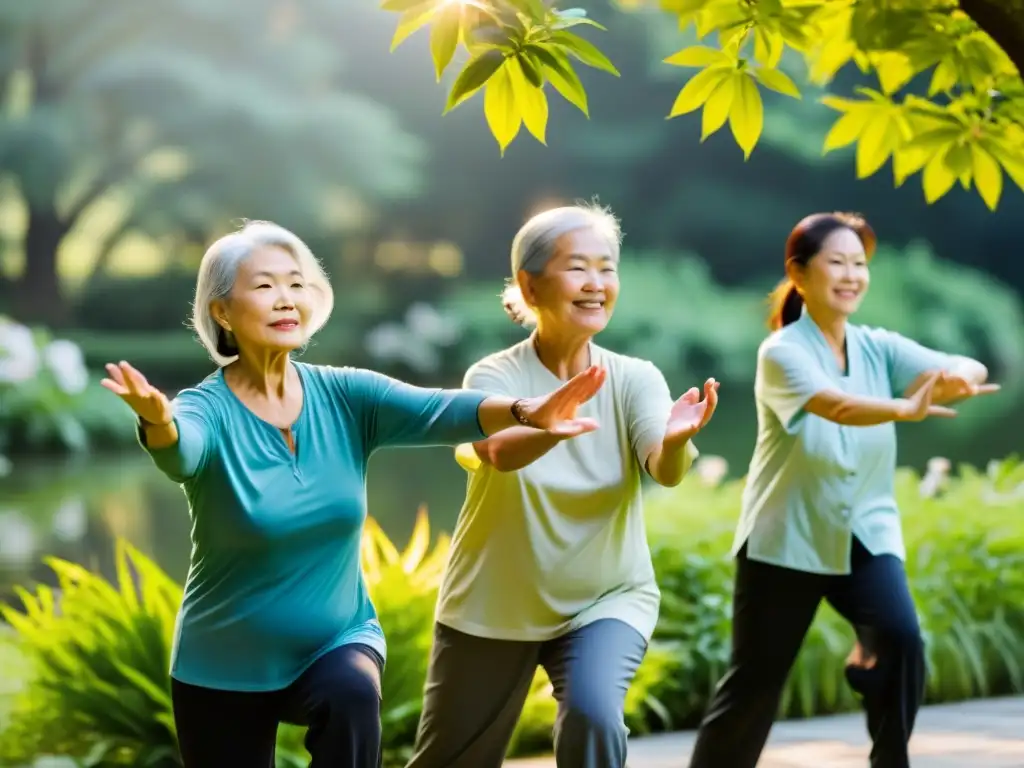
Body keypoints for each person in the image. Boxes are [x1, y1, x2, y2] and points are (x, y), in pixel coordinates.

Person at [99, 220, 611, 768]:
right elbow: (183, 453)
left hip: (336, 640)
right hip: (224, 661)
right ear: (222, 311)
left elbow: (439, 408)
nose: (286, 299)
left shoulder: (344, 395)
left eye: (296, 284)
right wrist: (159, 423)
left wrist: (524, 410)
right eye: (265, 285)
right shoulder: (207, 409)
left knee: (351, 693)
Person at [406, 203, 720, 768]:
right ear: (530, 284)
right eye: (578, 267)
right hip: (493, 604)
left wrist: (674, 442)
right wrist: (547, 425)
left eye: (608, 267)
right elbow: (497, 452)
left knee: (594, 718)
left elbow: (663, 469)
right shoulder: (493, 375)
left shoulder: (634, 378)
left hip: (605, 597)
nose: (596, 283)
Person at [687, 211, 999, 768]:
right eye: (838, 262)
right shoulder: (782, 352)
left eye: (860, 263)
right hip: (787, 538)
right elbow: (837, 405)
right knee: (755, 684)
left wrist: (961, 376)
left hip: (865, 530)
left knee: (903, 645)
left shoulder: (876, 345)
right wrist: (907, 406)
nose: (852, 274)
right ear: (800, 274)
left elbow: (965, 363)